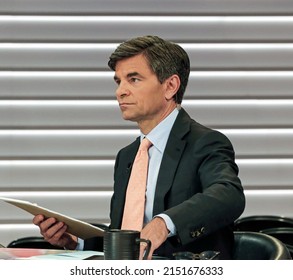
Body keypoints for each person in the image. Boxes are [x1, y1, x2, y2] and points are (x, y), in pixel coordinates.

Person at [33, 35, 245, 260]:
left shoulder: (206, 142)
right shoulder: (127, 155)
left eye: (133, 79)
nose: (120, 92)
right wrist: (75, 242)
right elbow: (128, 236)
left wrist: (164, 223)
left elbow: (229, 195)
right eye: (118, 81)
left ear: (170, 86)